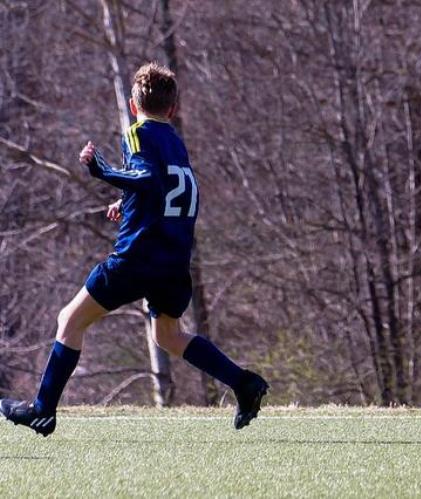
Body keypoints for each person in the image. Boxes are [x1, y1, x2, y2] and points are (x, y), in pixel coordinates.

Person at [0, 62, 268, 436]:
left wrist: (103, 171)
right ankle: (244, 384)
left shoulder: (138, 132)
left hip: (137, 259)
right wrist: (128, 202)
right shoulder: (175, 140)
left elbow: (146, 178)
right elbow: (166, 190)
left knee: (69, 320)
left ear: (132, 105)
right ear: (172, 109)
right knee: (169, 337)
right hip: (174, 263)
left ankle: (43, 411)